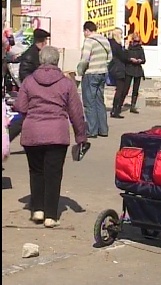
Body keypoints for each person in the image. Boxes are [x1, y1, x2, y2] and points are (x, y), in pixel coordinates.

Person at [14, 46, 87, 228]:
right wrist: (81, 137)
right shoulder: (66, 83)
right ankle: (51, 216)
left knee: (36, 171)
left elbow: (21, 107)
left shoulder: (29, 81)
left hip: (32, 133)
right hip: (57, 134)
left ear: (40, 60)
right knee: (54, 174)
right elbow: (76, 113)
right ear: (56, 61)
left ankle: (37, 210)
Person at [77, 21, 111, 138]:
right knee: (99, 101)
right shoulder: (105, 40)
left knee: (89, 102)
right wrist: (102, 66)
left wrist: (80, 71)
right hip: (102, 73)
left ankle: (92, 130)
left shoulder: (89, 41)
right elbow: (110, 58)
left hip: (90, 74)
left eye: (84, 32)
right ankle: (103, 129)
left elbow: (85, 59)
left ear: (87, 30)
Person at [123, 33, 146, 114]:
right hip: (129, 69)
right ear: (132, 40)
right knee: (125, 88)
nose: (136, 43)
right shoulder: (129, 48)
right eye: (135, 41)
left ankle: (133, 105)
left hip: (137, 70)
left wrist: (140, 60)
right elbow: (125, 58)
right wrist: (130, 59)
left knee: (135, 89)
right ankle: (119, 104)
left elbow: (144, 60)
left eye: (138, 41)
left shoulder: (140, 49)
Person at [108, 27, 128, 119]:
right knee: (120, 89)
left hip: (114, 67)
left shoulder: (110, 43)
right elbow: (123, 57)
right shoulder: (116, 45)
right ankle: (115, 110)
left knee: (119, 89)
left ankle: (115, 109)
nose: (122, 36)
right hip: (118, 68)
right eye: (120, 34)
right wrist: (126, 48)